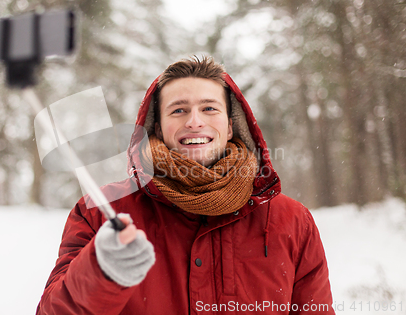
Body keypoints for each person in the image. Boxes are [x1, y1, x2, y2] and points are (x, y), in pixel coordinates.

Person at [36, 56, 335, 315]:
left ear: (231, 125)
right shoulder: (101, 211)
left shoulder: (292, 221)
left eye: (209, 109)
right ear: (157, 127)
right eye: (178, 110)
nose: (194, 121)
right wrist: (100, 270)